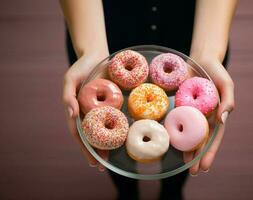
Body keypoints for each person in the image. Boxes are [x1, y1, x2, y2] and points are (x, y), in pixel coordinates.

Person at [60, 0, 237, 199]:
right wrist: (90, 52)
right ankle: (126, 191)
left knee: (185, 150)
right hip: (100, 28)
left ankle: (172, 190)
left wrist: (207, 52)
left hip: (195, 27)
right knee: (112, 151)